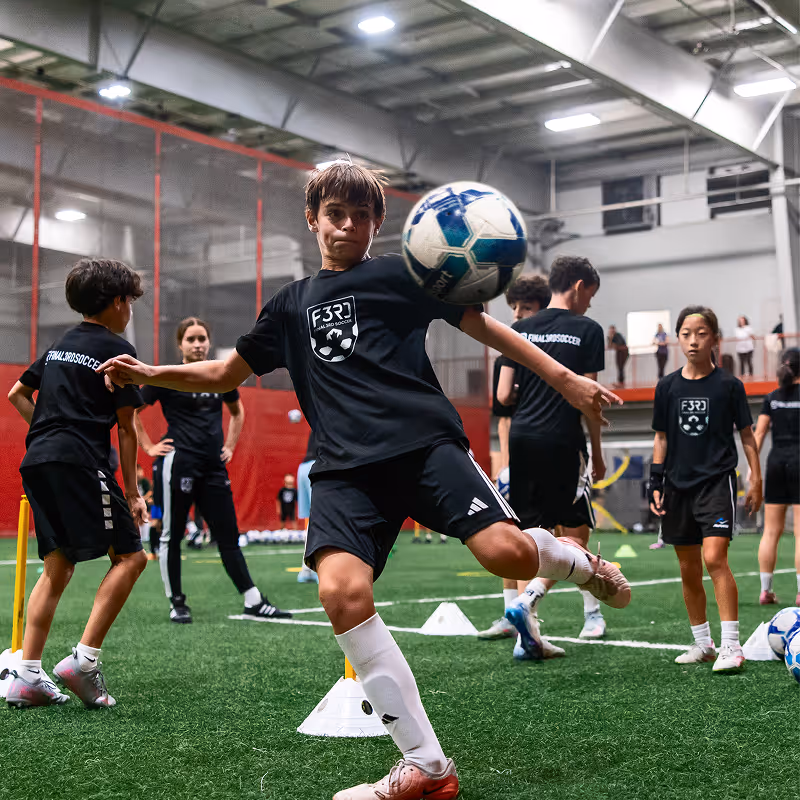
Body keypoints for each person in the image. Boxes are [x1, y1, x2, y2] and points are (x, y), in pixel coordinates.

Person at [97, 161, 629, 800]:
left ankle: (577, 558)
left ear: (379, 224)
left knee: (504, 554)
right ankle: (428, 767)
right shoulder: (289, 305)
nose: (346, 227)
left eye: (360, 216)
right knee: (341, 593)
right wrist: (146, 372)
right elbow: (221, 376)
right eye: (334, 215)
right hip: (345, 469)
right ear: (313, 219)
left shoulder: (400, 276)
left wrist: (566, 380)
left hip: (424, 446)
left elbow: (486, 328)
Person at [5, 258, 148, 708]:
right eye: (130, 301)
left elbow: (17, 394)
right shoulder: (118, 351)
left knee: (58, 565)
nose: (130, 310)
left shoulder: (58, 346)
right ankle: (83, 663)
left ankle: (27, 674)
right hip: (81, 461)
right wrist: (132, 492)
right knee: (131, 557)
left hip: (38, 460)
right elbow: (126, 429)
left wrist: (47, 431)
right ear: (118, 302)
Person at [133, 317, 290, 625]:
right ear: (180, 345)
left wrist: (230, 446)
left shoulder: (221, 375)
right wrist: (150, 447)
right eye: (190, 339)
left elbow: (237, 412)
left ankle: (253, 600)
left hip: (213, 467)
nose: (198, 344)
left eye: (202, 338)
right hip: (178, 464)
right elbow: (133, 412)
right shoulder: (166, 376)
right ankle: (177, 603)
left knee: (228, 536)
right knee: (171, 535)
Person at [498, 255, 609, 655]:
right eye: (590, 295)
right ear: (578, 287)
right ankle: (540, 606)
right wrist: (596, 451)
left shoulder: (520, 329)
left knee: (533, 539)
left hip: (523, 439)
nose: (590, 305)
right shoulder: (588, 330)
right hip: (563, 439)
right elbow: (589, 401)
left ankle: (525, 632)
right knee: (576, 536)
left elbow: (503, 395)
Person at [648, 305, 762, 674]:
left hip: (716, 481)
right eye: (686, 334)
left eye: (701, 333)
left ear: (714, 337)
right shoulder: (666, 387)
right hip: (676, 485)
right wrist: (656, 481)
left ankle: (731, 645)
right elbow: (661, 438)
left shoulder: (729, 385)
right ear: (677, 338)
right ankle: (703, 644)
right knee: (687, 568)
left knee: (714, 559)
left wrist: (755, 477)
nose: (693, 341)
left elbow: (747, 436)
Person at [478, 274, 551, 642]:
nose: (519, 314)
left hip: (553, 451)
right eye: (515, 308)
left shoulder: (551, 352)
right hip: (517, 454)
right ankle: (512, 613)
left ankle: (592, 612)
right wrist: (504, 462)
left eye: (527, 308)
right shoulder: (506, 354)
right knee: (511, 534)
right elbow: (502, 417)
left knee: (568, 534)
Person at [753, 348, 800, 605]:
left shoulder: (771, 398)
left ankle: (765, 590)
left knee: (771, 530)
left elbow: (758, 434)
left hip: (775, 464)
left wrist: (753, 468)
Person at [296, 429, 319, 583]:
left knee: (310, 523)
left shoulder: (302, 468)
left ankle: (306, 570)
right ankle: (317, 569)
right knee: (321, 523)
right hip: (317, 467)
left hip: (304, 468)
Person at [136, 463, 158, 560]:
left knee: (156, 524)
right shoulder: (133, 482)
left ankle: (155, 549)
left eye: (140, 471)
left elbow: (150, 492)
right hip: (139, 504)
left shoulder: (145, 481)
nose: (139, 473)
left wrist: (143, 499)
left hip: (148, 504)